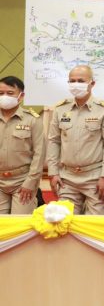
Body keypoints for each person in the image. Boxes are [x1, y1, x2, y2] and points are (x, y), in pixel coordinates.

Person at [46, 65, 104, 215]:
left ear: (92, 83)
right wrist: (53, 173)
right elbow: (53, 141)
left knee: (96, 223)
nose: (76, 84)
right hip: (67, 178)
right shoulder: (60, 109)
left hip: (95, 177)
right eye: (72, 81)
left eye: (81, 81)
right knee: (65, 221)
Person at [0, 76, 44, 215]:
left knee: (21, 222)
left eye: (10, 93)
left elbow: (39, 154)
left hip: (22, 181)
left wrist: (31, 182)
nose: (4, 97)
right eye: (1, 93)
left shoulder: (32, 119)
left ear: (21, 96)